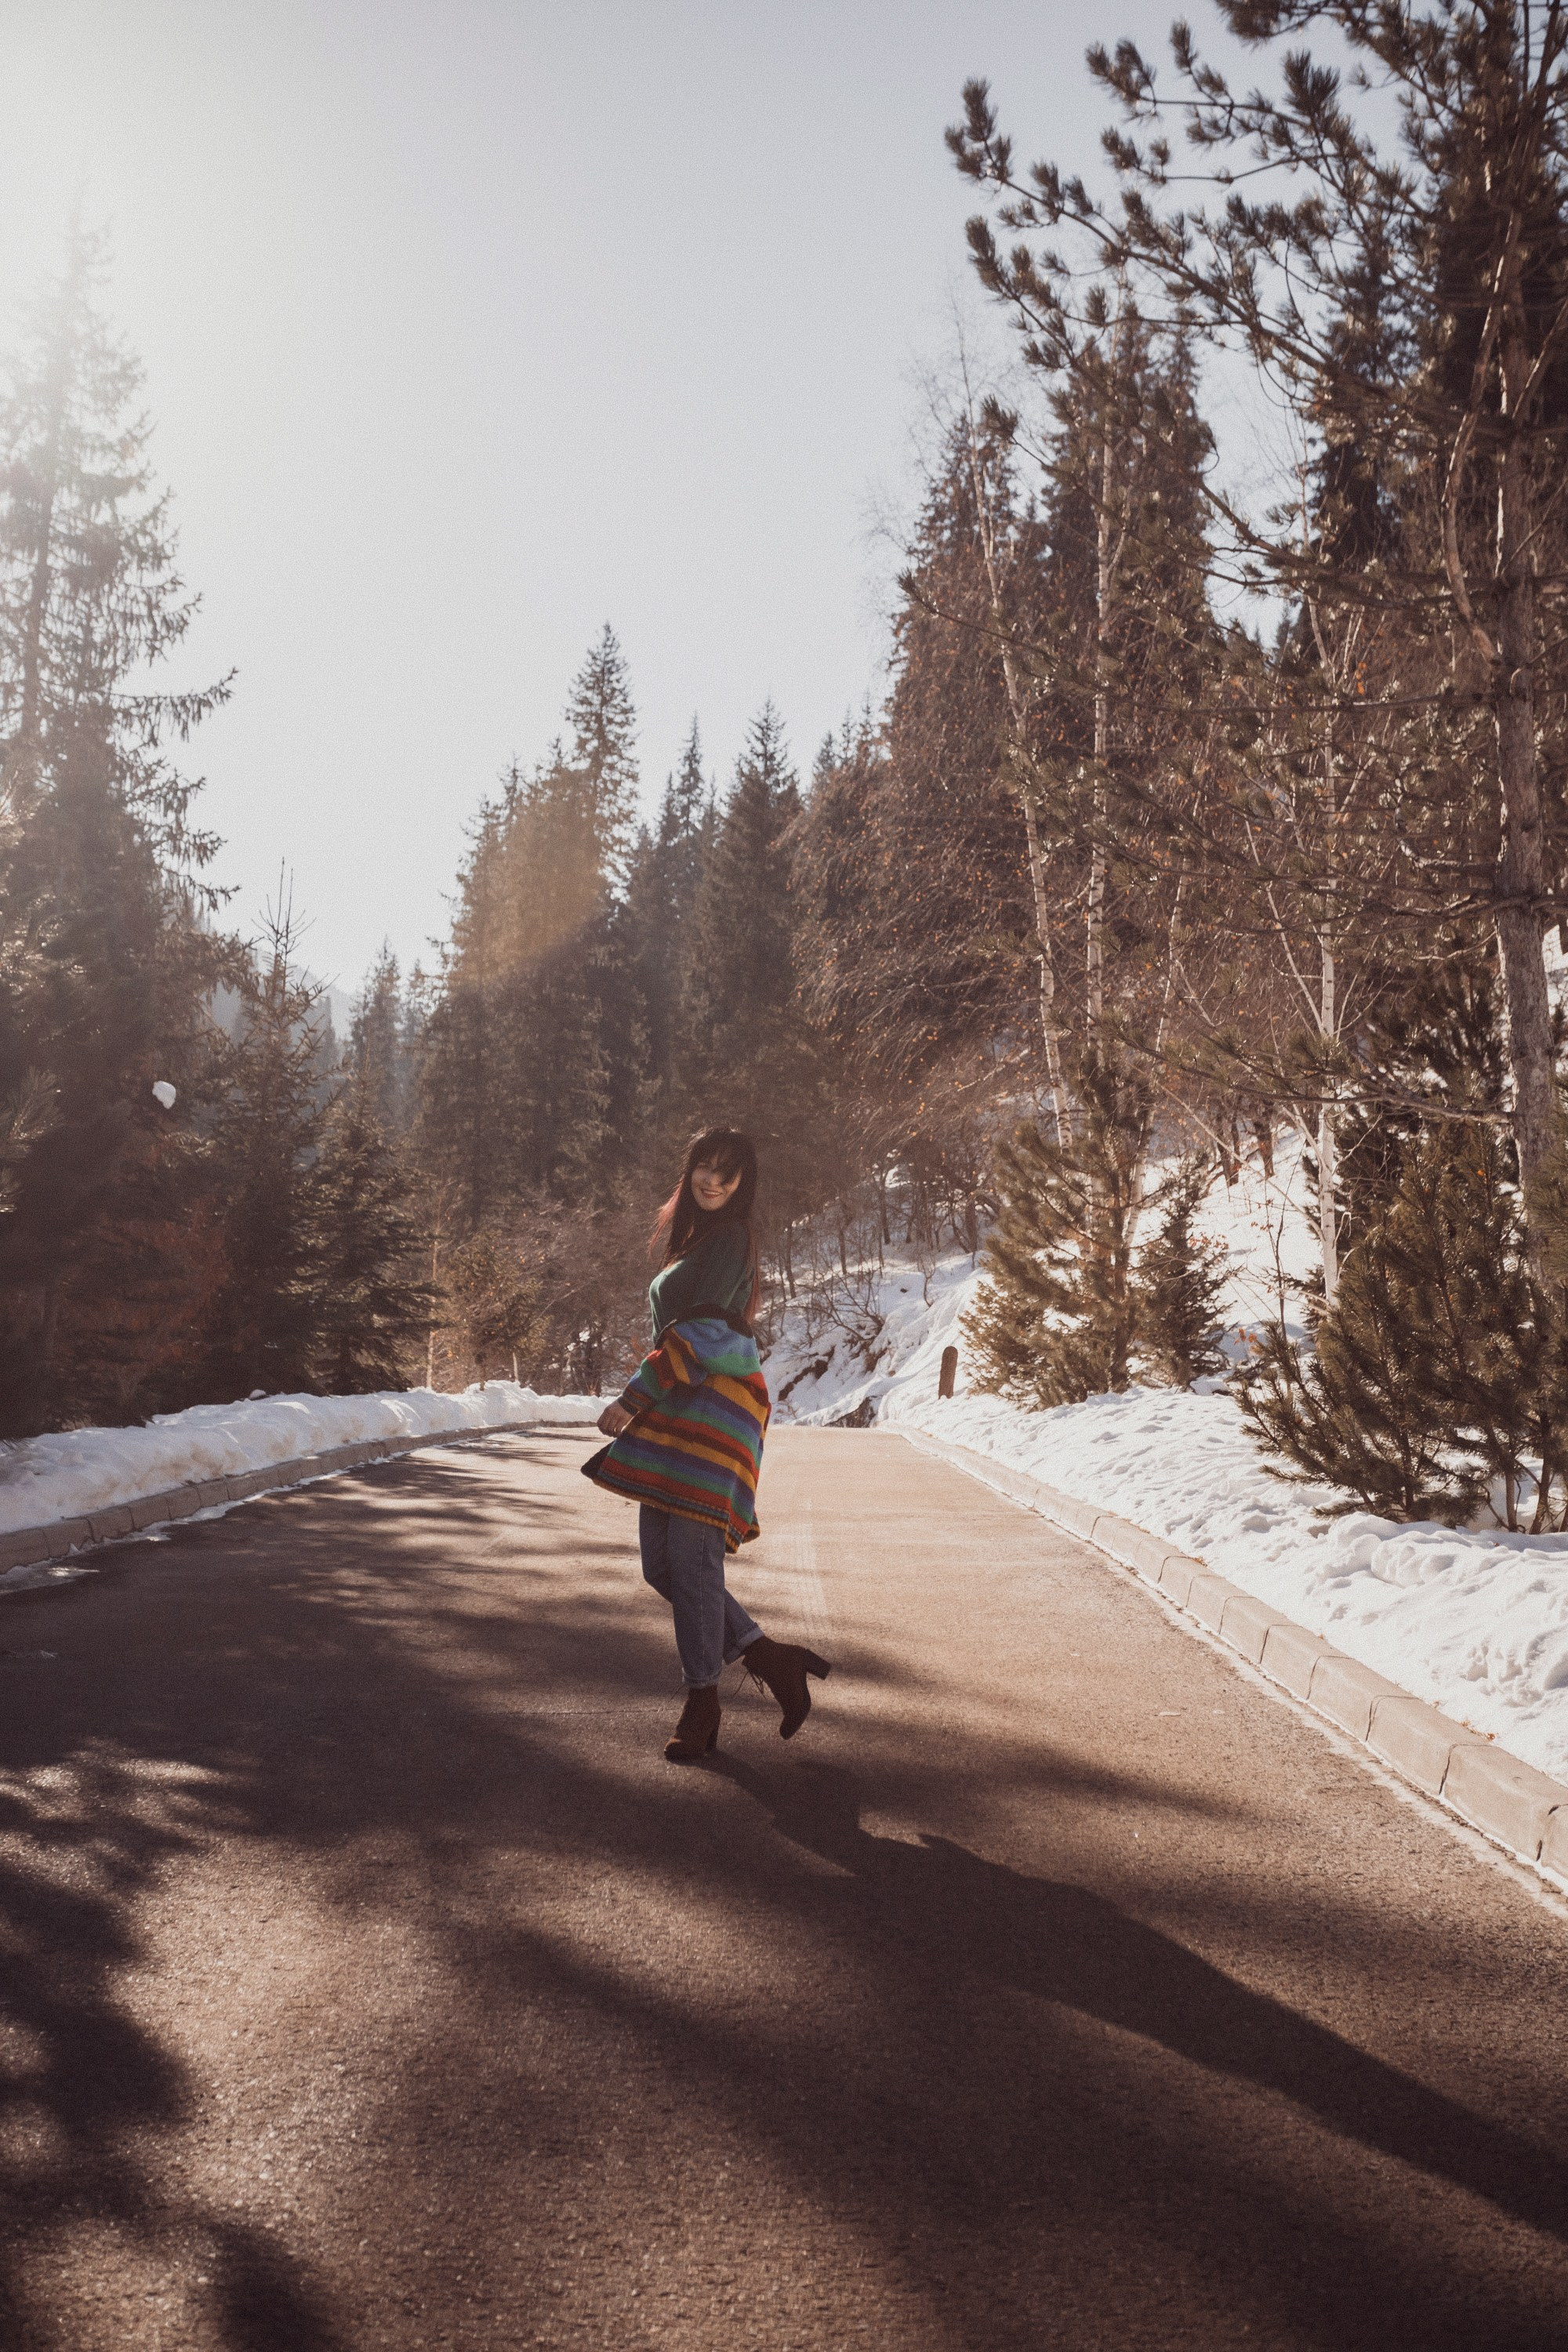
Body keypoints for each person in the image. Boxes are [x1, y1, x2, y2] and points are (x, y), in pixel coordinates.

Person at [583, 1126, 830, 1762]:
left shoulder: (732, 1239)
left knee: (692, 1566)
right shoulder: (699, 1239)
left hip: (712, 1415)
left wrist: (632, 1398)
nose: (713, 1180)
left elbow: (700, 1337)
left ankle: (702, 1703)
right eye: (705, 1166)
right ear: (690, 1168)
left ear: (744, 1183)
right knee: (663, 1567)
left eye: (728, 1172)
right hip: (680, 1413)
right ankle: (770, 1657)